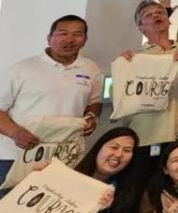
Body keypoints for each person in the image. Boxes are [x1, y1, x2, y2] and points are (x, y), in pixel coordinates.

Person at [0, 14, 102, 187]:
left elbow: (95, 101)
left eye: (77, 34)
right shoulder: (22, 68)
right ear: (49, 38)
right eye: (62, 33)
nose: (70, 39)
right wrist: (15, 133)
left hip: (64, 157)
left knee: (51, 209)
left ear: (84, 40)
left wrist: (92, 117)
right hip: (18, 156)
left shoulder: (90, 68)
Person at [121, 0, 178, 168]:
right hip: (143, 135)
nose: (156, 15)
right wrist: (124, 66)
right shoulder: (134, 56)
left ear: (168, 20)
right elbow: (122, 97)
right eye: (149, 15)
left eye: (160, 13)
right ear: (141, 27)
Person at [75, 127, 141, 213]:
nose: (119, 154)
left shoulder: (124, 194)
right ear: (99, 147)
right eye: (114, 147)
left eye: (127, 150)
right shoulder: (69, 177)